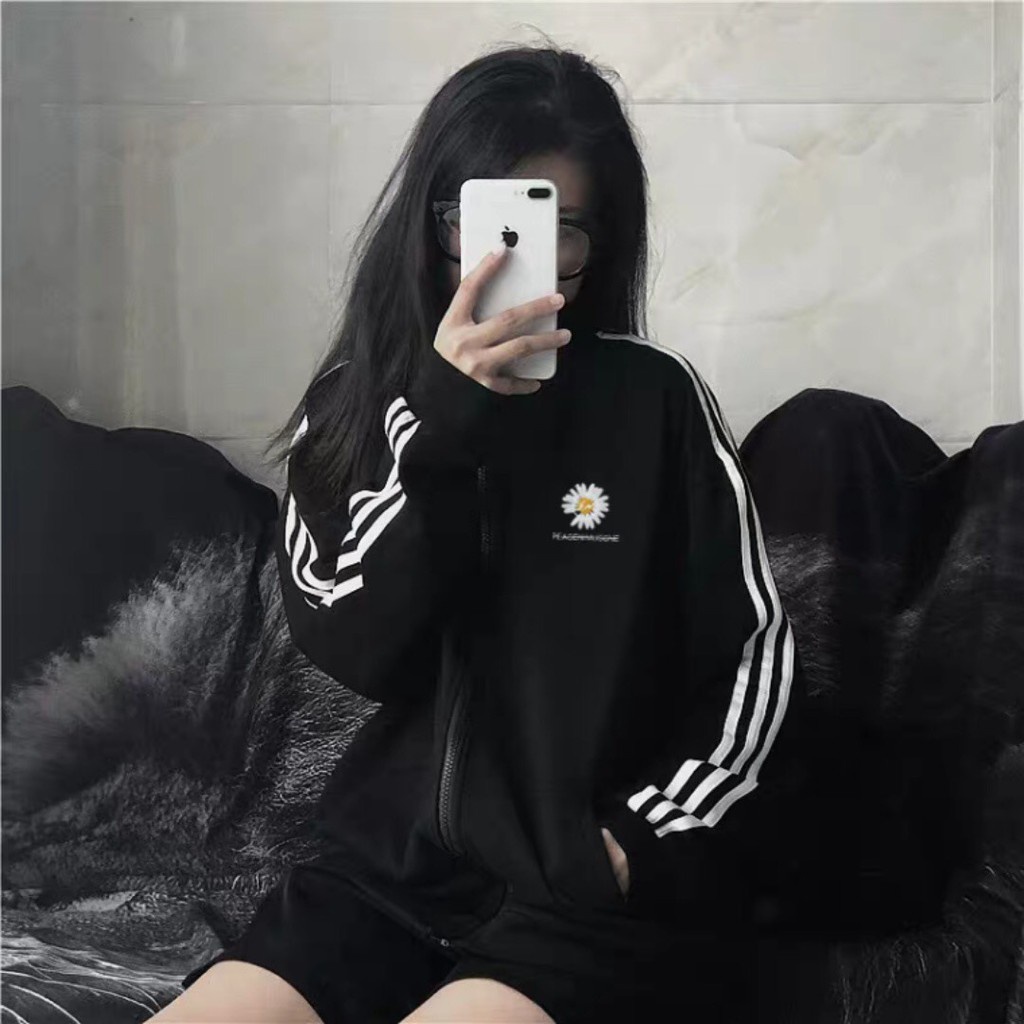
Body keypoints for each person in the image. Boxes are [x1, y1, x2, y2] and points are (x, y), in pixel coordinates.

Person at [151, 41, 809, 1024]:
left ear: (599, 242)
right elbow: (354, 641)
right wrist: (443, 427)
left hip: (575, 899)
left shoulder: (655, 401)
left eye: (560, 228)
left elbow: (755, 655)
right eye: (484, 222)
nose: (514, 262)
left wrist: (638, 843)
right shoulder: (356, 406)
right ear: (432, 223)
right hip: (380, 878)